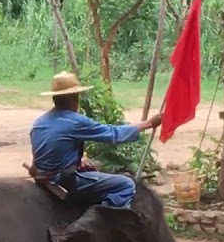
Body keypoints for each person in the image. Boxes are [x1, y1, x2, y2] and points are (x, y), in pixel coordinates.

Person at [28, 72, 162, 208]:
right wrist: (149, 124)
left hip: (43, 177)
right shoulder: (75, 121)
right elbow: (113, 134)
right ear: (74, 98)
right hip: (64, 180)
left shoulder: (40, 122)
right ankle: (103, 220)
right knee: (125, 185)